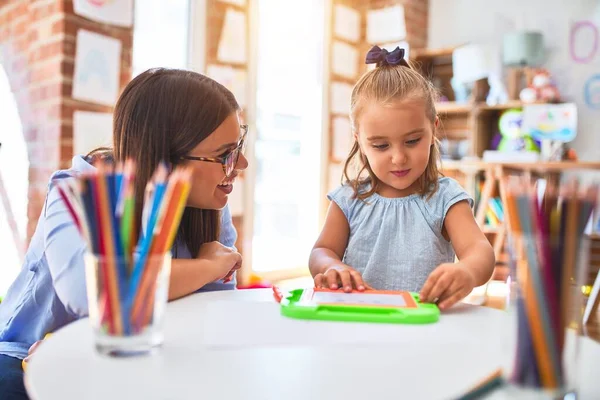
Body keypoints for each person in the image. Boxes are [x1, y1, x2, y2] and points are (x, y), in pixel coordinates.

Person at [0, 68, 248, 399]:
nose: (241, 164)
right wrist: (207, 267)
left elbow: (210, 310)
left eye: (239, 145)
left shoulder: (209, 201)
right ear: (168, 156)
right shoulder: (78, 190)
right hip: (24, 357)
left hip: (136, 351)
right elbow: (88, 291)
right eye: (225, 155)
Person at [309, 46, 495, 310]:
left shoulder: (445, 198)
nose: (398, 158)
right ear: (358, 140)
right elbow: (321, 251)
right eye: (381, 146)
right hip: (358, 325)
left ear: (433, 129)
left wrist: (467, 271)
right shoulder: (347, 199)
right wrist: (332, 267)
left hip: (424, 330)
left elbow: (481, 251)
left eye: (412, 140)